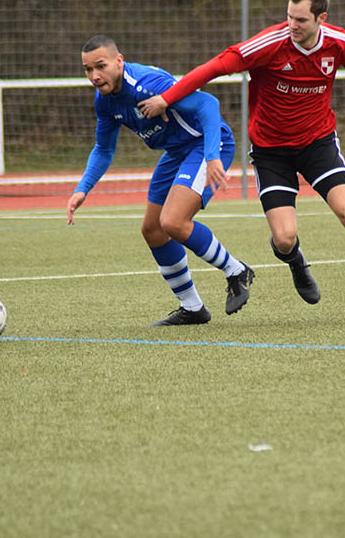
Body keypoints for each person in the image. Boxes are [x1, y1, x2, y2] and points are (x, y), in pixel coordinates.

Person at [139, 0, 345, 321]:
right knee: (283, 238)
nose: (292, 24)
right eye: (289, 16)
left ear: (321, 18)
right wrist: (168, 98)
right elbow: (215, 67)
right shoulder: (269, 44)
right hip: (271, 152)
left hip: (318, 144)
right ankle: (296, 261)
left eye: (301, 20)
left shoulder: (340, 44)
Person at [68, 35, 254, 326]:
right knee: (153, 230)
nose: (94, 76)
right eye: (87, 69)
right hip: (176, 152)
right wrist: (83, 189)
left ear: (119, 61)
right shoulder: (104, 101)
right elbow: (104, 149)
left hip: (204, 144)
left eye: (100, 66)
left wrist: (212, 157)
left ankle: (236, 270)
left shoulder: (147, 84)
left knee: (173, 221)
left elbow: (208, 104)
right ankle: (192, 308)